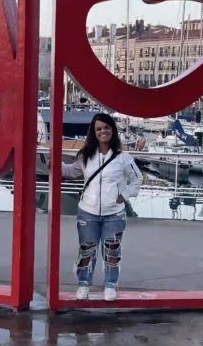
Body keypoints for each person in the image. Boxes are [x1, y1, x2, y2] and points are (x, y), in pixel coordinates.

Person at [61, 112, 142, 302]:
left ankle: (111, 285)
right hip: (87, 212)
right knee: (86, 250)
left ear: (112, 130)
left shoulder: (123, 157)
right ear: (93, 132)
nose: (103, 131)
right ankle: (83, 285)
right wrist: (54, 164)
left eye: (106, 127)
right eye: (99, 129)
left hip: (114, 214)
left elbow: (137, 179)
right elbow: (72, 172)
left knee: (112, 251)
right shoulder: (85, 155)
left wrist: (125, 195)